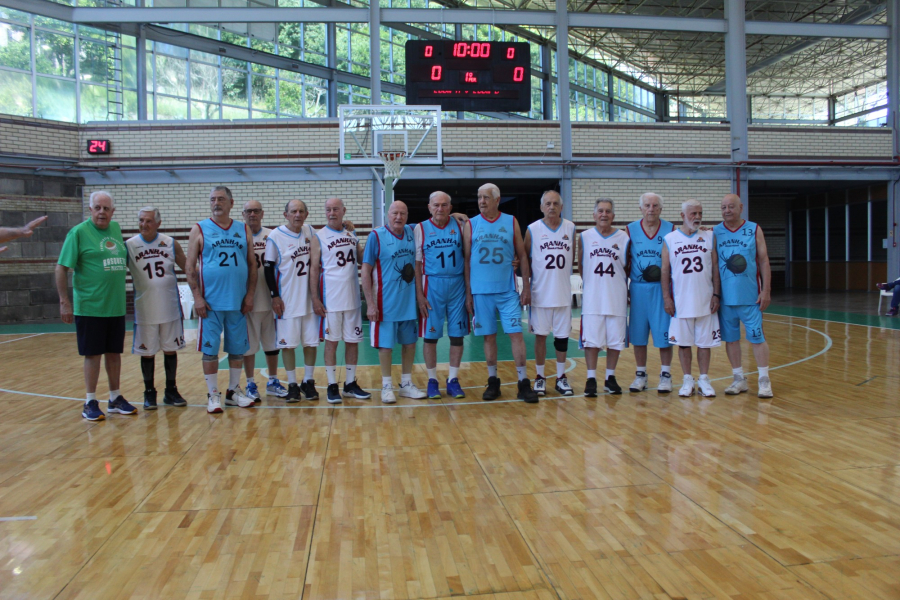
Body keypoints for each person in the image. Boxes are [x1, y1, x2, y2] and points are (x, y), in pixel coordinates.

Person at [56, 191, 136, 420]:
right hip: (90, 307)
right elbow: (61, 268)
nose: (102, 212)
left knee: (114, 353)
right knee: (92, 355)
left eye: (106, 208)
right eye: (98, 208)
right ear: (90, 210)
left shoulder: (116, 229)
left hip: (116, 306)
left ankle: (115, 397)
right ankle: (90, 400)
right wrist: (64, 301)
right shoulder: (78, 233)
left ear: (113, 211)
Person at [463, 183, 539, 403]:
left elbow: (522, 256)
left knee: (516, 334)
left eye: (486, 197)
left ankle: (523, 382)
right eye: (479, 197)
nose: (481, 201)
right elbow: (467, 261)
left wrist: (526, 285)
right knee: (489, 337)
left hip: (507, 291)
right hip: (481, 292)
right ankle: (493, 380)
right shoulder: (472, 224)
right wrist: (468, 293)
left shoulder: (511, 221)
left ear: (497, 200)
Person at [185, 186, 257, 413]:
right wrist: (196, 297)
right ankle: (213, 394)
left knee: (237, 350)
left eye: (221, 199)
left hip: (237, 301)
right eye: (213, 199)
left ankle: (233, 391)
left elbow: (252, 264)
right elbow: (189, 266)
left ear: (231, 203)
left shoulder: (242, 228)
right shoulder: (199, 228)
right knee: (210, 351)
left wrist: (250, 294)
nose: (216, 203)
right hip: (210, 303)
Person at [362, 201, 428, 403]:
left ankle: (406, 384)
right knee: (386, 347)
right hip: (385, 303)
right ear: (387, 215)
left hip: (408, 303)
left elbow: (435, 219)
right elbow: (365, 270)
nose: (398, 217)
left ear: (407, 215)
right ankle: (386, 386)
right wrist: (370, 303)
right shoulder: (376, 236)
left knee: (409, 345)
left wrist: (458, 215)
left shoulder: (412, 231)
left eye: (402, 213)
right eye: (394, 213)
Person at [125, 206, 188, 410]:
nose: (144, 224)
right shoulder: (129, 245)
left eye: (149, 221)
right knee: (147, 352)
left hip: (169, 307)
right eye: (141, 220)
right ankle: (149, 392)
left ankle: (171, 390)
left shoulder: (170, 243)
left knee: (170, 350)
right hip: (144, 309)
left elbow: (188, 269)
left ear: (158, 223)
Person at [309, 197, 370, 404]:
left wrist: (366, 241)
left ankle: (350, 384)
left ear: (343, 210)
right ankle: (332, 385)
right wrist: (315, 299)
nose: (331, 212)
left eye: (335, 209)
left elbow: (362, 259)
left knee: (353, 342)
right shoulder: (319, 237)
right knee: (332, 343)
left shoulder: (351, 234)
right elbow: (314, 270)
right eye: (328, 209)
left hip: (352, 299)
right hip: (331, 301)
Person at [715, 194, 774, 398]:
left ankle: (764, 379)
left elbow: (764, 261)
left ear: (741, 207)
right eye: (723, 207)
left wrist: (765, 290)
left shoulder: (754, 229)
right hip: (725, 299)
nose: (727, 210)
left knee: (757, 338)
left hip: (751, 297)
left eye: (731, 206)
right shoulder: (715, 232)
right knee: (731, 340)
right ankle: (738, 378)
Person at [661, 199, 721, 398]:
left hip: (705, 300)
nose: (697, 217)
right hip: (680, 301)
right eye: (693, 213)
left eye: (699, 213)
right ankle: (687, 379)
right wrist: (667, 298)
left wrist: (716, 294)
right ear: (682, 216)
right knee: (684, 343)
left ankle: (704, 379)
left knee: (705, 343)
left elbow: (715, 269)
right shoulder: (670, 239)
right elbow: (664, 271)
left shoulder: (709, 236)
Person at [264, 200, 321, 402]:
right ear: (285, 214)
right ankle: (292, 385)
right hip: (287, 300)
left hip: (309, 300)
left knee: (310, 343)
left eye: (301, 211)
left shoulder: (310, 232)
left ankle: (308, 381)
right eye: (293, 211)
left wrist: (347, 227)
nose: (297, 214)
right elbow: (268, 268)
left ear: (306, 214)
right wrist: (274, 295)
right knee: (287, 345)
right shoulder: (275, 236)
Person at [414, 191, 468, 399]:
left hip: (457, 285)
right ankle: (432, 380)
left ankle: (453, 379)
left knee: (457, 335)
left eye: (445, 205)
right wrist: (419, 294)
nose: (440, 209)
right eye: (436, 205)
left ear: (450, 207)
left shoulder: (461, 225)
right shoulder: (420, 228)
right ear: (429, 207)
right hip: (432, 285)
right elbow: (417, 264)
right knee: (431, 336)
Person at [523, 190, 576, 396]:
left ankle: (561, 378)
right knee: (540, 337)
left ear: (561, 207)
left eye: (555, 203)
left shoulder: (570, 228)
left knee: (562, 339)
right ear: (541, 207)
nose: (551, 207)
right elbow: (525, 260)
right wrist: (526, 287)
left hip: (563, 293)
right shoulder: (532, 229)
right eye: (547, 203)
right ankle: (540, 377)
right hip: (539, 294)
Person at [578, 199, 630, 396]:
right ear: (594, 215)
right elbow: (582, 266)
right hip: (593, 299)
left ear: (613, 216)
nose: (604, 214)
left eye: (608, 211)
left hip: (616, 297)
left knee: (615, 341)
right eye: (600, 211)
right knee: (591, 341)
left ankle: (610, 378)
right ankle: (591, 378)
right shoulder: (584, 236)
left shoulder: (624, 238)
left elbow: (627, 267)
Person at [625, 192, 675, 393]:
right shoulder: (629, 230)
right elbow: (622, 260)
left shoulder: (671, 230)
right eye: (647, 205)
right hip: (637, 288)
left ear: (661, 209)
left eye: (655, 206)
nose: (651, 209)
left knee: (664, 335)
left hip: (661, 288)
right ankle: (640, 375)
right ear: (641, 208)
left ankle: (665, 375)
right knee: (638, 336)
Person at [241, 200, 289, 402]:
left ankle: (272, 381)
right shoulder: (238, 236)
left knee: (272, 344)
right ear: (243, 214)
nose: (252, 214)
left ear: (262, 213)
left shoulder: (273, 235)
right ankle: (250, 383)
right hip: (248, 300)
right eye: (248, 211)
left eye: (256, 211)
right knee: (249, 347)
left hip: (271, 299)